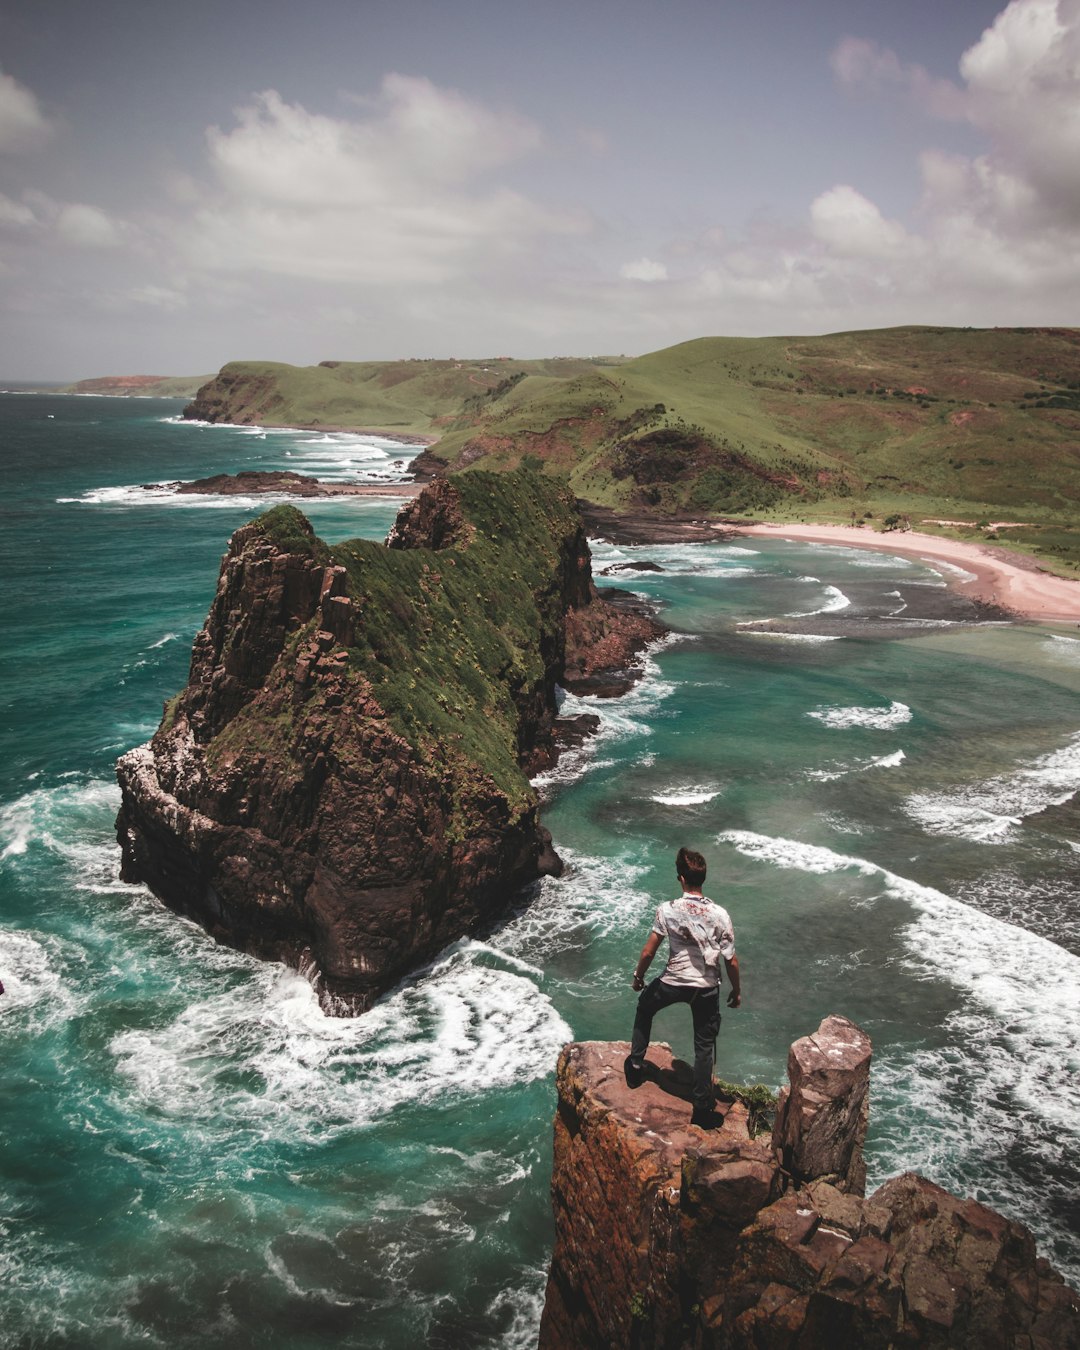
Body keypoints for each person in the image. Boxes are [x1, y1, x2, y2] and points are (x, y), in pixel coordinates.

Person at [625, 846, 740, 1127]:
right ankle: (701, 1108)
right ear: (703, 878)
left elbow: (648, 952)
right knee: (703, 1046)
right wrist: (736, 991)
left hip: (672, 982)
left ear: (680, 879)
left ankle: (636, 1066)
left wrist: (639, 978)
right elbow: (731, 960)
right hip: (706, 987)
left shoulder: (668, 910)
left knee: (645, 1007)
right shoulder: (720, 915)